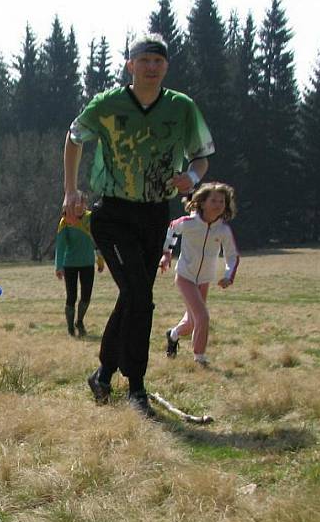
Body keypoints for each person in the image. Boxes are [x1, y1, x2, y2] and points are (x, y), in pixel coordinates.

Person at [62, 32, 215, 416]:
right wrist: (70, 191)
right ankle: (137, 388)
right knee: (139, 296)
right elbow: (74, 137)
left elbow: (201, 158)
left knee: (134, 296)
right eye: (144, 60)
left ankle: (103, 373)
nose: (151, 67)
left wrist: (192, 180)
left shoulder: (181, 107)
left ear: (166, 67)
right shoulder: (109, 104)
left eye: (158, 61)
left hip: (153, 214)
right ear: (130, 65)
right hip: (112, 214)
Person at [159, 183, 239, 366]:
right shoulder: (189, 223)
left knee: (192, 323)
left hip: (204, 280)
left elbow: (232, 255)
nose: (218, 204)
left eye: (222, 201)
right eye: (213, 200)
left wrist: (228, 275)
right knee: (203, 317)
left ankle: (173, 335)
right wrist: (166, 253)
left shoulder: (223, 230)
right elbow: (172, 228)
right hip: (185, 276)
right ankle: (199, 358)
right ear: (202, 203)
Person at [54, 191, 105, 337]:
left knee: (86, 296)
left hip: (88, 263)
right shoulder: (65, 221)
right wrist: (58, 266)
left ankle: (80, 321)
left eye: (82, 203)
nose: (79, 206)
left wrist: (100, 260)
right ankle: (70, 327)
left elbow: (98, 240)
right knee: (71, 296)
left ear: (85, 204)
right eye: (76, 203)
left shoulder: (91, 218)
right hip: (70, 264)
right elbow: (61, 245)